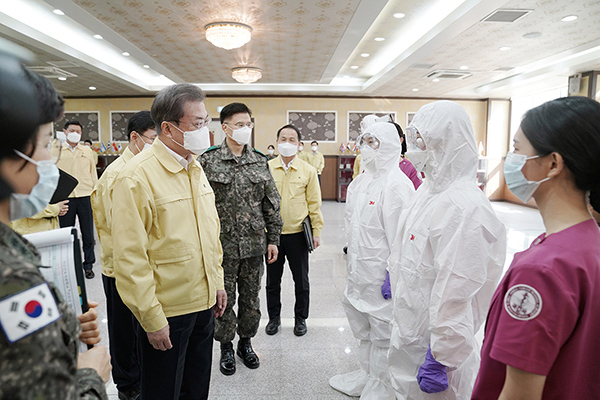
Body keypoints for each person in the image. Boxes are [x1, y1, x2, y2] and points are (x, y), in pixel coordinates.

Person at [472, 96, 600, 399]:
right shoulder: (589, 243)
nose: (510, 159)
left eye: (517, 149)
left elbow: (519, 394)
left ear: (553, 163)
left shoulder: (542, 270)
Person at [0, 58, 110, 398]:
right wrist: (90, 374)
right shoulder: (14, 280)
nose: (49, 162)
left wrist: (59, 328)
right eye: (46, 144)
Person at [111, 83, 226, 400]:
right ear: (167, 128)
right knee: (163, 391)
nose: (205, 131)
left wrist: (216, 281)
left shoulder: (195, 166)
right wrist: (151, 318)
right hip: (167, 312)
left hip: (203, 303)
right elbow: (130, 257)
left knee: (196, 387)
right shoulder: (136, 177)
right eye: (198, 123)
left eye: (206, 122)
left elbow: (209, 232)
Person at [387, 100, 506, 400]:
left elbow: (459, 287)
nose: (414, 146)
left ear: (445, 141)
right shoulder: (427, 191)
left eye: (421, 139)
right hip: (411, 330)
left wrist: (442, 355)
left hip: (439, 353)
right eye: (413, 138)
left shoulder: (464, 207)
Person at [329, 122, 415, 398]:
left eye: (373, 142)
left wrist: (394, 273)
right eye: (364, 141)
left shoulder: (397, 185)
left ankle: (383, 384)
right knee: (362, 326)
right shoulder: (360, 182)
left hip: (381, 276)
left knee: (381, 330)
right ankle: (367, 375)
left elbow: (402, 240)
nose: (365, 147)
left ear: (391, 144)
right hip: (358, 272)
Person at [200, 102, 282, 376]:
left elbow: (271, 203)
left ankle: (245, 343)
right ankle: (225, 346)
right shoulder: (208, 161)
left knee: (251, 301)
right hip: (221, 248)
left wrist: (274, 238)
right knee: (223, 300)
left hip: (254, 246)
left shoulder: (260, 160)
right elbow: (199, 207)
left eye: (249, 123)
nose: (246, 128)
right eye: (239, 124)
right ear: (224, 127)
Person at [91, 110, 156, 400]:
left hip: (140, 265)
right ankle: (128, 386)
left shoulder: (144, 168)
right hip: (120, 268)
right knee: (124, 331)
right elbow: (121, 233)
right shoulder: (119, 174)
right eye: (154, 139)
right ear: (135, 137)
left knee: (138, 328)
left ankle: (137, 378)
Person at [266, 125, 324, 336]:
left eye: (292, 139)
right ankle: (274, 318)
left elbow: (314, 203)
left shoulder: (307, 170)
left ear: (299, 145)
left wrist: (316, 231)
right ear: (277, 141)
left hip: (298, 234)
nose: (287, 143)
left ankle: (301, 318)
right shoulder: (268, 168)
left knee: (301, 280)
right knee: (272, 282)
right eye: (283, 139)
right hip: (272, 236)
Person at [56, 120, 98, 279]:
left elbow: (93, 173)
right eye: (72, 130)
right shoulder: (58, 150)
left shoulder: (87, 151)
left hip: (85, 195)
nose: (75, 134)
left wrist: (95, 191)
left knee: (88, 233)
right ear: (65, 132)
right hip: (65, 197)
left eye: (78, 132)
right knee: (67, 233)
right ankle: (70, 265)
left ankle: (88, 265)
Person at [391, 122, 422, 190]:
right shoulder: (371, 168)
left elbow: (417, 192)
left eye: (390, 138)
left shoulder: (409, 168)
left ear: (400, 140)